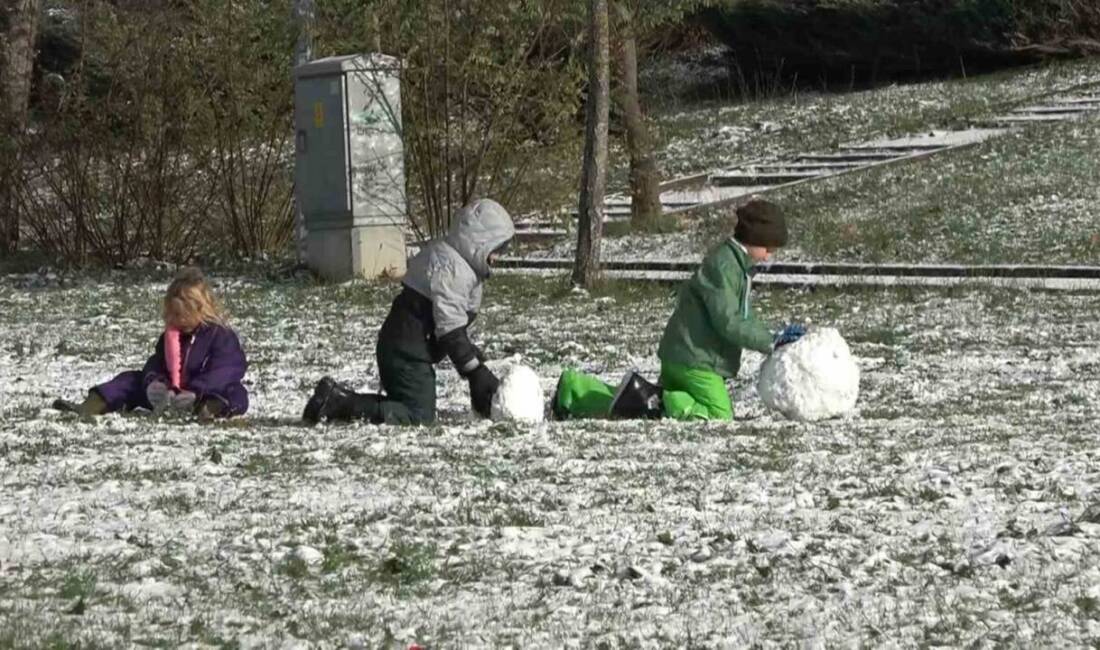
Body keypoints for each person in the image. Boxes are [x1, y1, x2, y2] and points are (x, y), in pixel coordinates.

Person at [551, 198, 805, 421]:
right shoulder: (725, 267)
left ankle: (576, 390)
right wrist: (770, 341)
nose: (769, 255)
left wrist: (773, 334)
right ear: (752, 238)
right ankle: (663, 399)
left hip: (685, 356)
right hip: (695, 361)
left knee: (637, 406)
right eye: (768, 247)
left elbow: (742, 316)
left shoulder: (735, 266)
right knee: (719, 414)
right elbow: (728, 320)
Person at [303, 198, 515, 426]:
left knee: (410, 406)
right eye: (496, 249)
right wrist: (474, 371)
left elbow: (448, 321)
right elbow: (450, 327)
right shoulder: (452, 270)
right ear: (479, 242)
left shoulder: (458, 265)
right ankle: (335, 403)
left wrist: (470, 357)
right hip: (405, 354)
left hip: (408, 348)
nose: (496, 257)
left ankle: (340, 400)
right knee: (418, 416)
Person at [53, 267, 249, 419]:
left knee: (235, 393)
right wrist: (154, 383)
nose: (175, 320)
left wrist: (197, 391)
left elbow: (226, 369)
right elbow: (156, 362)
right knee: (129, 379)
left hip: (200, 394)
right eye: (171, 314)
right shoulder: (169, 336)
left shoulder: (220, 335)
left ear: (199, 310)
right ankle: (92, 405)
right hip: (168, 397)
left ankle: (208, 411)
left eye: (181, 315)